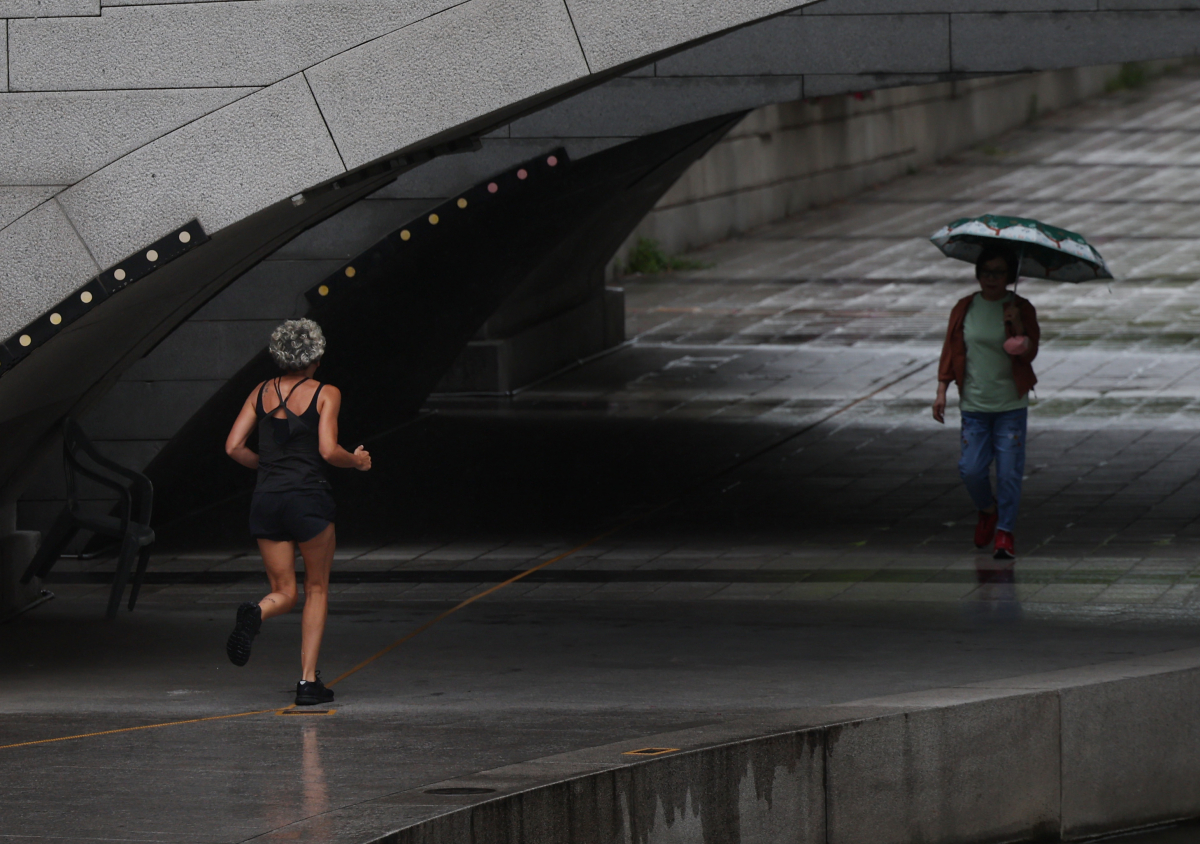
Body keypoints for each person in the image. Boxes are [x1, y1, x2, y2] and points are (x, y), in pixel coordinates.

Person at [223, 319, 371, 705]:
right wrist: (355, 462)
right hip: (309, 499)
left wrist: (269, 469)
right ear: (315, 357)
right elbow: (327, 450)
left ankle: (256, 612)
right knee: (316, 588)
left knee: (283, 591)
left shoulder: (260, 391)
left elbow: (233, 447)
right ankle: (307, 684)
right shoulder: (326, 393)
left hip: (267, 498)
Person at [933, 247, 1040, 561]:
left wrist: (1017, 325)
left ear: (1010, 277)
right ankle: (987, 511)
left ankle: (1005, 533)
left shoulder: (1020, 306)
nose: (992, 278)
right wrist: (942, 389)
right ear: (978, 274)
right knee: (971, 469)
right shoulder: (964, 307)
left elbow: (1029, 351)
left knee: (1008, 473)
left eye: (999, 272)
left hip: (1010, 404)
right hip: (974, 404)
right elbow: (951, 350)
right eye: (986, 272)